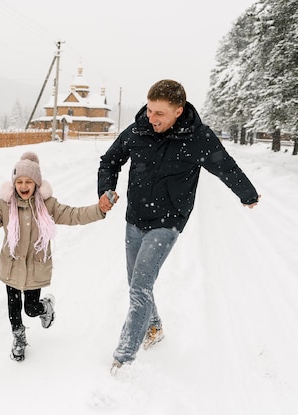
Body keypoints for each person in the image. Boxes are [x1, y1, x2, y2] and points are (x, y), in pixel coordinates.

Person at [97, 80, 260, 375]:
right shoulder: (137, 131)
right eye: (149, 110)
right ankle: (155, 328)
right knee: (137, 283)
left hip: (168, 221)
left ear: (178, 111)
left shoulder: (197, 138)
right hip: (135, 218)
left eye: (160, 113)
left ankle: (123, 358)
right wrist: (105, 190)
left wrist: (247, 194)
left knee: (140, 287)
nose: (152, 118)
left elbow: (227, 167)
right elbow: (110, 161)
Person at [0, 151, 111, 361]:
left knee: (31, 309)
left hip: (35, 268)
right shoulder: (5, 205)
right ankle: (19, 338)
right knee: (14, 309)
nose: (23, 186)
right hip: (12, 265)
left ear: (37, 183)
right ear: (14, 183)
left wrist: (98, 209)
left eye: (29, 182)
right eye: (19, 181)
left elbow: (74, 214)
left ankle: (45, 307)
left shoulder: (48, 205)